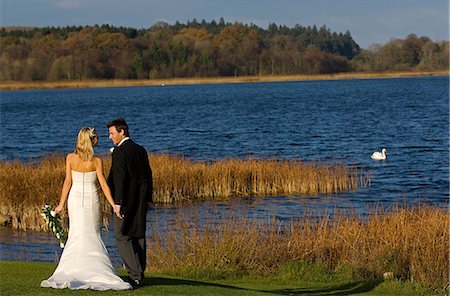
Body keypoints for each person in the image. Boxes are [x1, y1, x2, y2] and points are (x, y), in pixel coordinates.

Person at [41, 127, 132, 291]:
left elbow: (67, 183)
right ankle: (97, 270)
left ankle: (73, 269)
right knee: (91, 233)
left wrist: (61, 205)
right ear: (91, 140)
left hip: (74, 199)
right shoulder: (96, 160)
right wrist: (113, 205)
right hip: (92, 200)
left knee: (77, 233)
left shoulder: (70, 158)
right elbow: (103, 185)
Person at [106, 118, 152, 289]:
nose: (110, 137)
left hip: (124, 202)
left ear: (121, 132)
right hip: (140, 200)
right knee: (138, 235)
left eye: (112, 133)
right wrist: (147, 198)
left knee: (123, 236)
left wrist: (117, 203)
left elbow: (119, 179)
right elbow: (148, 175)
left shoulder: (119, 152)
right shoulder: (140, 149)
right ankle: (140, 273)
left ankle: (134, 276)